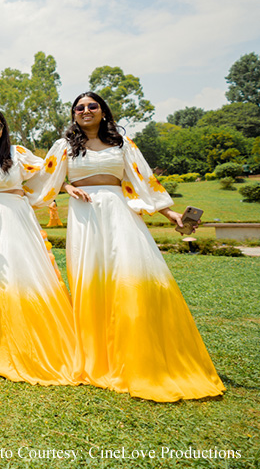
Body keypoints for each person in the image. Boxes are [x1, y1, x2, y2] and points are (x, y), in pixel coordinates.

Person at [27, 92, 225, 401]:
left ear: (103, 111)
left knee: (131, 275)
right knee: (89, 281)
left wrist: (171, 213)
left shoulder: (121, 141)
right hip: (84, 218)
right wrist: (65, 185)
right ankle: (98, 357)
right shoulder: (64, 146)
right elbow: (42, 179)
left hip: (120, 212)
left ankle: (139, 353)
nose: (86, 111)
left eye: (92, 106)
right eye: (80, 107)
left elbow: (144, 180)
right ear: (74, 115)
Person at [0, 109, 79, 386]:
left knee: (22, 270)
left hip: (16, 214)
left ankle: (31, 337)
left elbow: (48, 170)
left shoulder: (17, 151)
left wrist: (68, 185)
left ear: (3, 128)